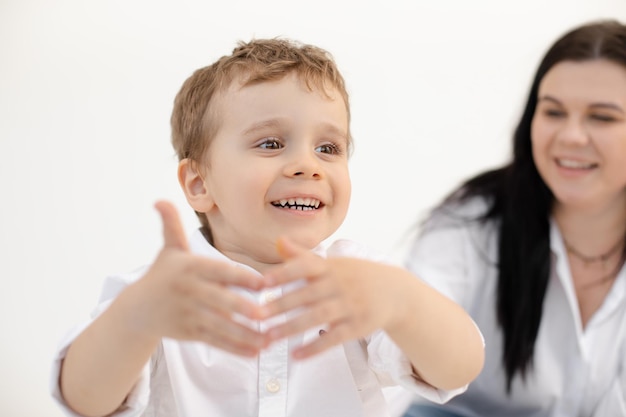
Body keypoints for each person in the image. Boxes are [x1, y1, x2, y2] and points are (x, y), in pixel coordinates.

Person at [50, 38, 485, 417]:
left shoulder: (357, 281)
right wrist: (135, 319)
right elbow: (87, 400)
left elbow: (457, 368)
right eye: (271, 143)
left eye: (328, 148)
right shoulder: (163, 293)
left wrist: (404, 304)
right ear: (201, 184)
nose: (307, 165)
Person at [402, 19, 626, 417]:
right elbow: (413, 341)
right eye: (553, 112)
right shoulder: (471, 222)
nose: (571, 136)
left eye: (603, 117)